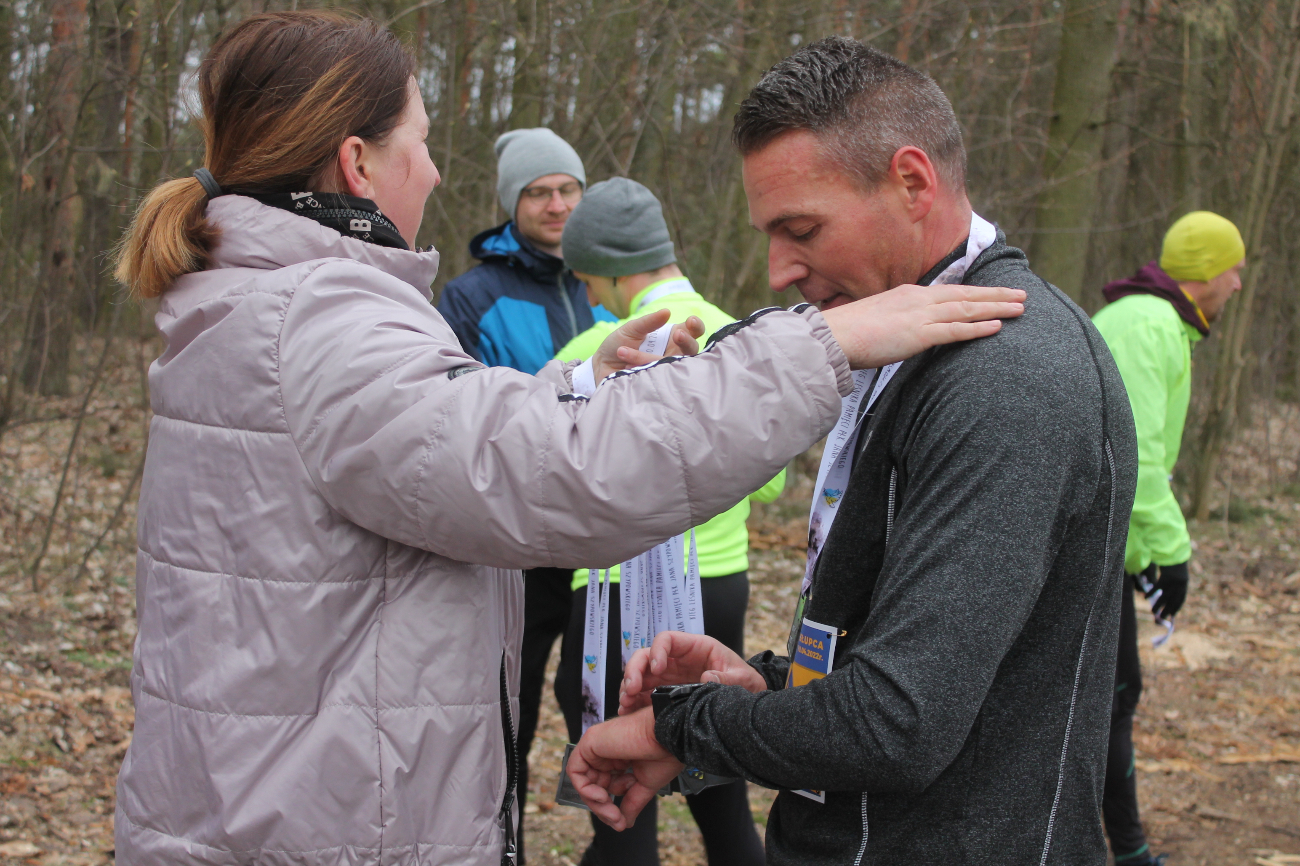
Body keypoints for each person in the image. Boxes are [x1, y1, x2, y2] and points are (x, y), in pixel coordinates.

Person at [108, 13, 1026, 866]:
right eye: (421, 144)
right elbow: (543, 474)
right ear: (357, 163)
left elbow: (421, 455)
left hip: (276, 800)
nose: (431, 172)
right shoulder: (316, 314)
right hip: (315, 823)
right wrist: (829, 341)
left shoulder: (263, 302)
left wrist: (578, 388)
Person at [566, 36, 1139, 866]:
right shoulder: (902, 338)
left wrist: (681, 722)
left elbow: (897, 724)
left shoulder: (1007, 378)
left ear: (911, 181)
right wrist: (767, 684)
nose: (775, 270)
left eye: (801, 229)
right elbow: (915, 657)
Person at [552, 177, 775, 866]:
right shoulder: (737, 332)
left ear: (614, 271)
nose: (589, 297)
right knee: (718, 790)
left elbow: (544, 479)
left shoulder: (599, 349)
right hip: (722, 587)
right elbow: (772, 482)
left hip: (617, 600)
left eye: (588, 279)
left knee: (621, 802)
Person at [435, 126, 617, 841]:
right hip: (519, 542)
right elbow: (459, 414)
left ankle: (615, 842)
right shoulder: (471, 297)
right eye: (539, 192)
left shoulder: (610, 284)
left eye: (568, 189)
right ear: (512, 204)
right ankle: (498, 834)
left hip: (606, 542)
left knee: (600, 704)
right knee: (509, 702)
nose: (557, 204)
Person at [1092, 211, 1245, 866]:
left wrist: (1141, 555)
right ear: (1208, 273)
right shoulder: (1151, 326)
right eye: (1233, 270)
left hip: (1102, 542)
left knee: (1108, 695)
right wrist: (1171, 555)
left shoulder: (1147, 319)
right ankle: (1123, 852)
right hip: (1088, 546)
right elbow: (1137, 458)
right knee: (1112, 700)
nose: (1238, 285)